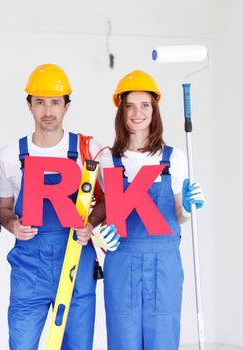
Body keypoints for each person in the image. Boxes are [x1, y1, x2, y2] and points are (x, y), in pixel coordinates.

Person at [0, 63, 116, 350]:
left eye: (55, 103)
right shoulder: (11, 155)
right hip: (29, 271)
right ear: (29, 106)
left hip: (76, 263)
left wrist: (91, 224)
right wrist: (13, 225)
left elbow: (110, 200)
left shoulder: (90, 150)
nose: (47, 111)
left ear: (66, 106)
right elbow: (4, 209)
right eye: (40, 102)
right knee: (22, 345)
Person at [101, 70, 205, 350]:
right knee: (123, 341)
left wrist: (188, 206)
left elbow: (179, 217)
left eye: (145, 105)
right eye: (130, 105)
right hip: (122, 265)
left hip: (164, 266)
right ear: (121, 111)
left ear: (154, 109)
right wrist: (101, 235)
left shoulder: (175, 159)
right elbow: (106, 216)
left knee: (163, 341)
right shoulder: (108, 161)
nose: (138, 112)